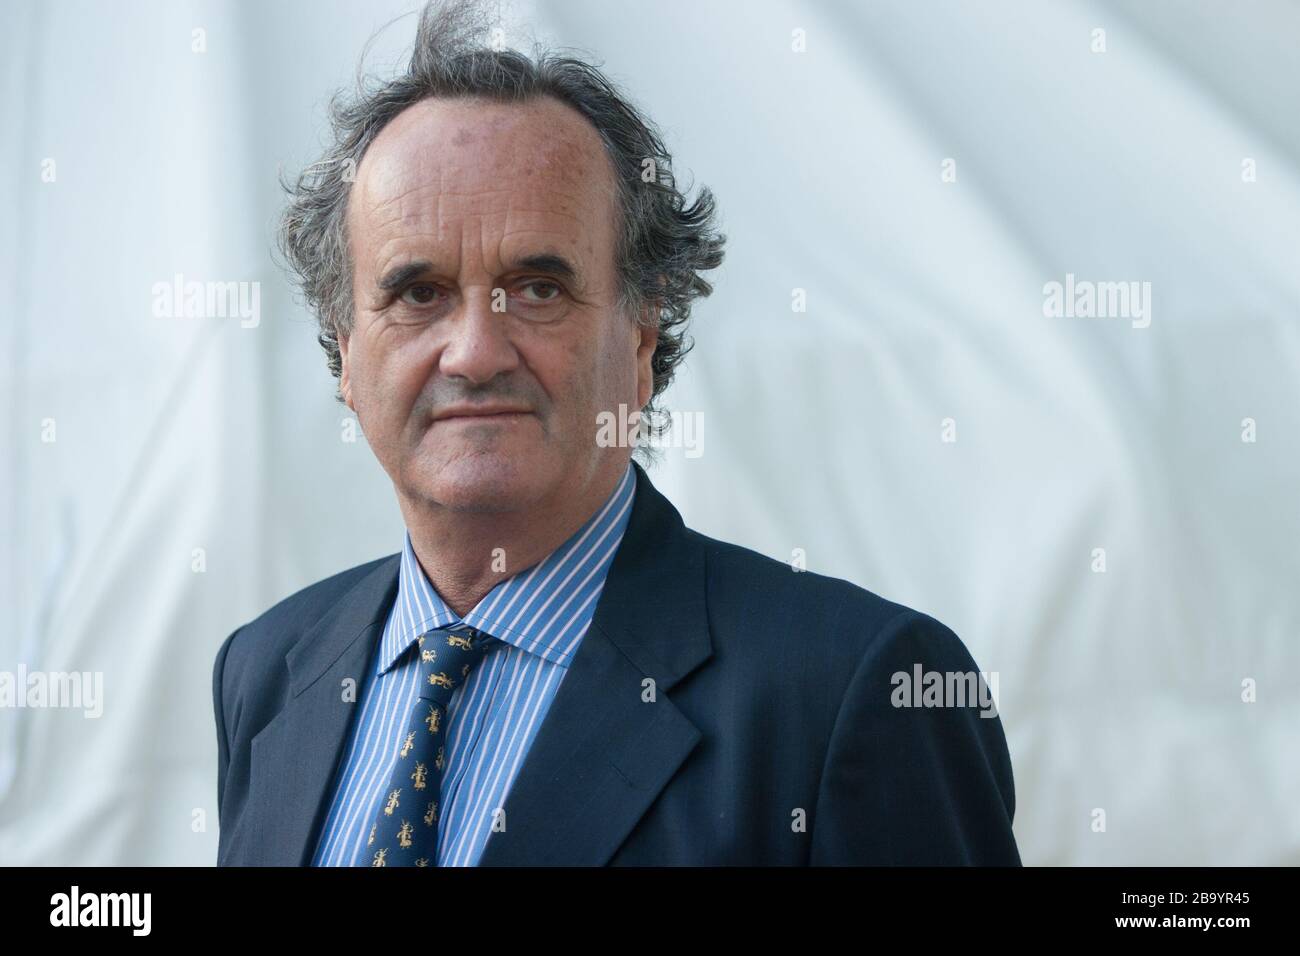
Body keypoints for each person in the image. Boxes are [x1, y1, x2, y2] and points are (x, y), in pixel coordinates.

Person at [213, 0, 1020, 866]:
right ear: (344, 349)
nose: (476, 352)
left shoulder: (858, 694)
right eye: (418, 293)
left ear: (642, 336)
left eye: (538, 289)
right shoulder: (268, 672)